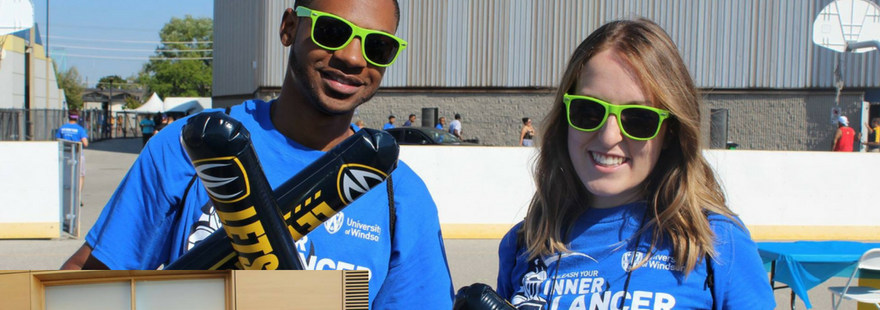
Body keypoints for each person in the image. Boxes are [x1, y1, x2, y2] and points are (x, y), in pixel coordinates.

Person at [60, 0, 454, 308]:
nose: (353, 58)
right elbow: (88, 281)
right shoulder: (193, 144)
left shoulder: (400, 195)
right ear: (288, 28)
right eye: (332, 31)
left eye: (378, 46)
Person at [497, 19, 775, 309]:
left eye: (639, 119)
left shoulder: (715, 242)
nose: (608, 137)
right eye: (589, 111)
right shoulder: (524, 243)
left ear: (671, 132)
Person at [55, 111, 90, 198]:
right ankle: (78, 195)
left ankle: (64, 194)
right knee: (81, 175)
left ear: (69, 117)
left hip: (65, 154)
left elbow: (57, 141)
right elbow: (85, 143)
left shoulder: (62, 128)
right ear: (77, 118)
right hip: (77, 154)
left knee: (65, 174)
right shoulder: (80, 129)